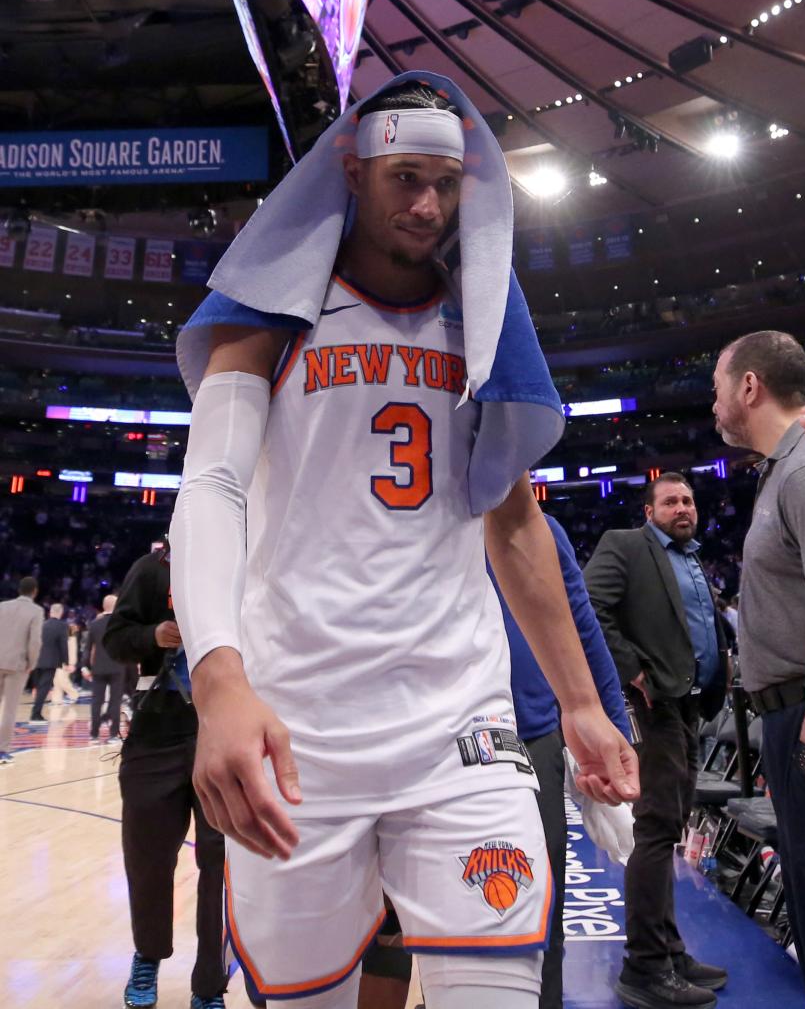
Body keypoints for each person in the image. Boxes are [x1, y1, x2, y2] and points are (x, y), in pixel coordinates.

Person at [169, 71, 638, 1009]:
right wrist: (217, 680)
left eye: (446, 181)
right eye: (404, 179)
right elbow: (212, 484)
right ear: (351, 168)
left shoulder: (484, 314)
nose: (427, 205)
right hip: (297, 727)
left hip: (458, 726)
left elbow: (511, 518)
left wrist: (582, 704)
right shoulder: (265, 314)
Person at [584, 472, 729, 1009]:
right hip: (652, 706)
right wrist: (633, 672)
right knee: (654, 830)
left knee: (669, 827)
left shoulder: (691, 558)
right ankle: (644, 966)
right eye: (670, 501)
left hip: (690, 705)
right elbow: (590, 607)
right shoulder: (624, 546)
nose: (682, 507)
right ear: (649, 512)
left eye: (688, 499)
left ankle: (668, 948)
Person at [712, 330, 805, 1009]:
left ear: (749, 386)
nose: (714, 404)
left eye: (718, 387)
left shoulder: (804, 470)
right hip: (787, 713)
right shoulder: (782, 469)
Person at [491, 514, 631, 1009]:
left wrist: (616, 728)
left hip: (530, 738)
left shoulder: (538, 529)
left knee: (539, 911)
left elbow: (581, 621)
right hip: (432, 736)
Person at [103, 542, 228, 1009]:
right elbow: (115, 638)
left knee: (220, 865)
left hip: (222, 732)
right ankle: (148, 955)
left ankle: (211, 983)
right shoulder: (153, 570)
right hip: (156, 732)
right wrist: (154, 635)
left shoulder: (244, 564)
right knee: (148, 858)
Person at [0, 576, 43, 765]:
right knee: (9, 709)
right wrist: (32, 663)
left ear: (19, 589)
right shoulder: (36, 611)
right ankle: (2, 750)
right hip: (17, 664)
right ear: (35, 591)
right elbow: (34, 641)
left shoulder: (2, 606)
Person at [83, 594, 125, 743]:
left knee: (96, 702)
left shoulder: (94, 624)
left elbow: (87, 649)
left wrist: (84, 667)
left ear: (103, 606)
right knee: (115, 701)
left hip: (98, 668)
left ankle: (93, 734)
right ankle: (113, 735)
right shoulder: (121, 624)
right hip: (117, 667)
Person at [30, 601, 69, 721]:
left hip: (37, 660)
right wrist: (65, 661)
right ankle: (35, 714)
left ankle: (36, 713)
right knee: (43, 688)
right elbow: (63, 645)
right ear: (61, 613)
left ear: (50, 612)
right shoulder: (62, 626)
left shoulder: (42, 624)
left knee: (39, 687)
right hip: (50, 661)